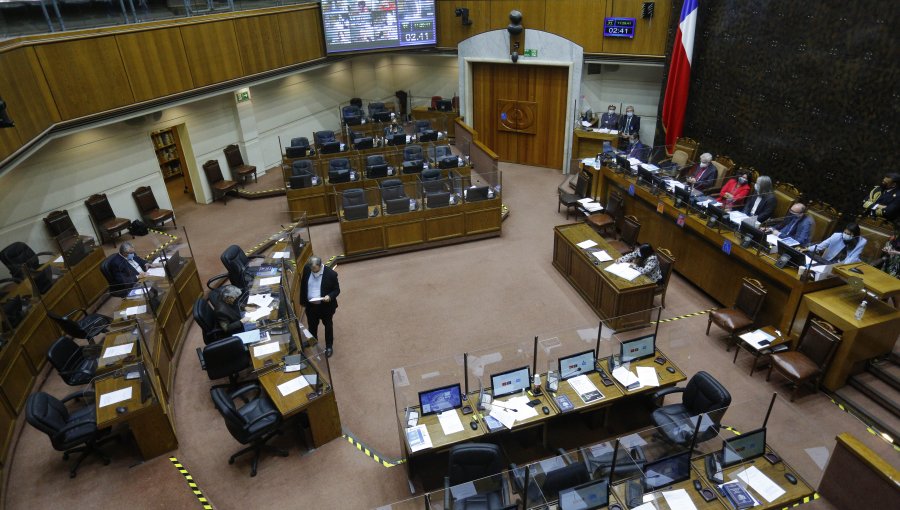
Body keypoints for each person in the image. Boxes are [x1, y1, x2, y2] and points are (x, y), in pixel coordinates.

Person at [299, 256, 340, 357]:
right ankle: (313, 341)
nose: (312, 271)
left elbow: (337, 290)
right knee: (312, 325)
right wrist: (303, 301)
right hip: (311, 307)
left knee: (328, 326)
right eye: (311, 268)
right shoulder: (307, 269)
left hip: (325, 307)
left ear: (319, 265)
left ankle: (329, 346)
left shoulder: (331, 274)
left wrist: (329, 296)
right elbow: (303, 286)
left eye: (314, 269)